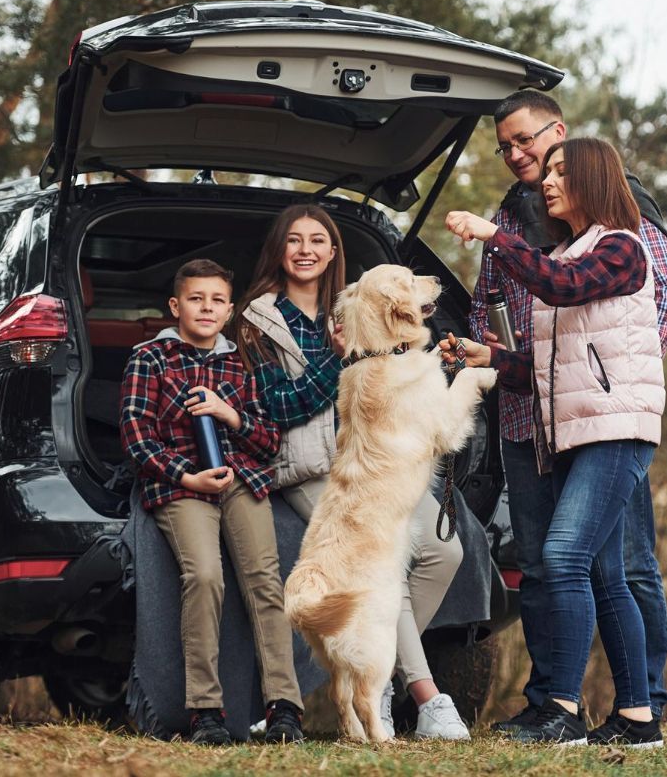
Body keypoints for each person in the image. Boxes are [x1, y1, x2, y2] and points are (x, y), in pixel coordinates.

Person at [469, 91, 667, 739]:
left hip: (607, 420)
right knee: (551, 566)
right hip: (535, 422)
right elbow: (498, 308)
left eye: (525, 141)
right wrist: (486, 356)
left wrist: (609, 373)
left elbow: (661, 303)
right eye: (504, 146)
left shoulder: (622, 234)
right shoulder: (535, 232)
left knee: (616, 564)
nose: (517, 155)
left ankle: (638, 700)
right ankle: (568, 705)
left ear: (558, 134)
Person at [234, 204, 471, 741]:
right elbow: (277, 408)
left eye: (318, 240)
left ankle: (375, 671)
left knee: (445, 552)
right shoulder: (257, 321)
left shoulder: (358, 305)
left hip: (380, 460)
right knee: (382, 571)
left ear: (333, 252)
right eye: (294, 240)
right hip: (315, 466)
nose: (306, 250)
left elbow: (402, 358)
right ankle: (420, 694)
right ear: (279, 250)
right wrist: (337, 362)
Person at [119, 258, 305, 745]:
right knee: (203, 575)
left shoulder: (241, 362)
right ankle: (206, 712)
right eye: (197, 299)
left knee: (265, 580)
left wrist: (229, 414)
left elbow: (268, 442)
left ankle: (284, 707)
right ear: (176, 306)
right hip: (182, 482)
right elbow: (138, 438)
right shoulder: (150, 359)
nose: (207, 307)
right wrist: (189, 477)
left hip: (240, 476)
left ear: (229, 310)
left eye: (217, 300)